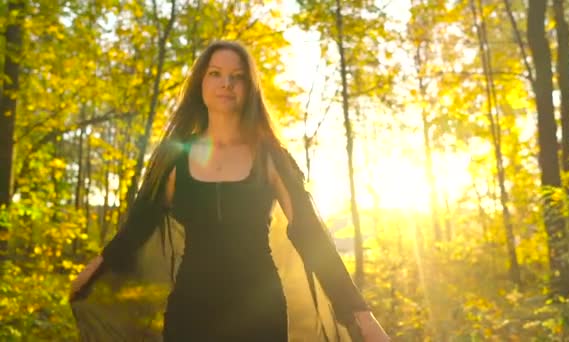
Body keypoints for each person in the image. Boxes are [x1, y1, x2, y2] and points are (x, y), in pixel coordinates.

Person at [70, 40, 389, 341]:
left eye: (237, 76)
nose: (226, 83)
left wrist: (359, 313)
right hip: (191, 312)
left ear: (250, 88)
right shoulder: (174, 158)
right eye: (216, 74)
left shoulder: (270, 156)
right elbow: (137, 228)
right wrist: (92, 272)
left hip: (259, 314)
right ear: (200, 84)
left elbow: (309, 232)